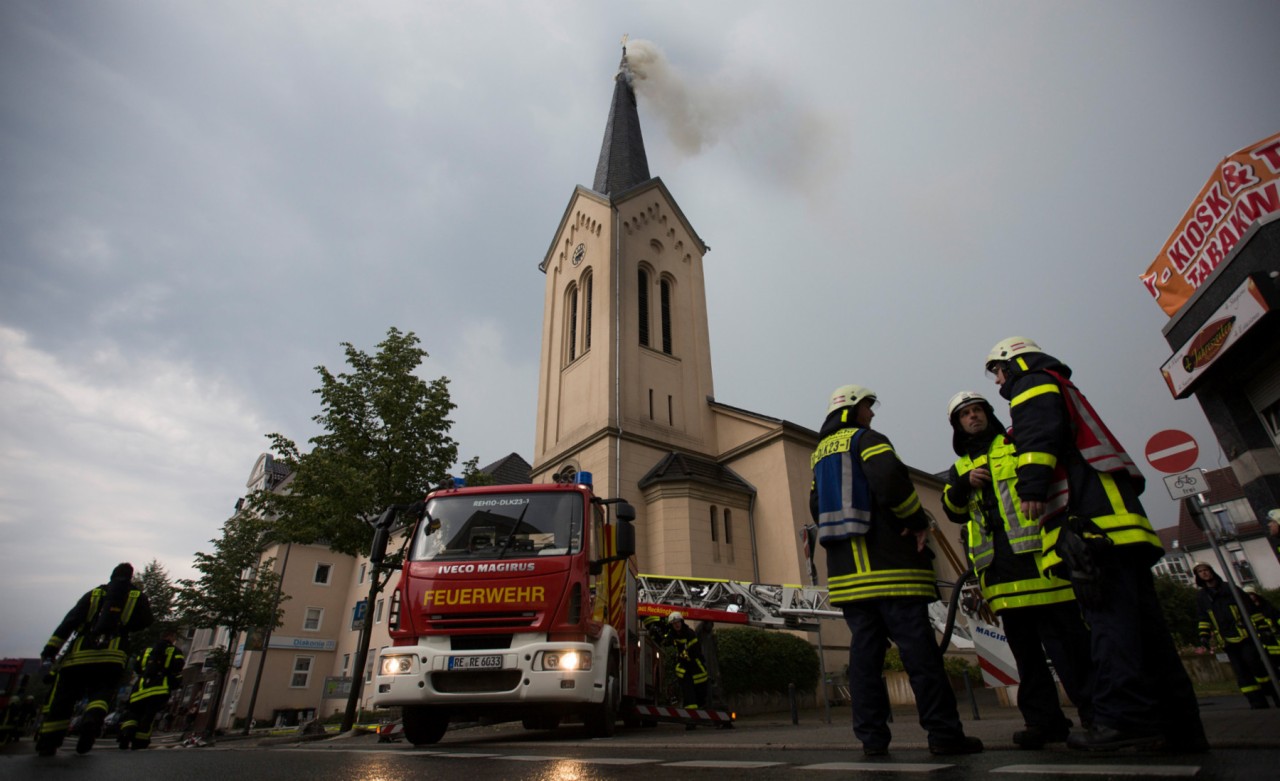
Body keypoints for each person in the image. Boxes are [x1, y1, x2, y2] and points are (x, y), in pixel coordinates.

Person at [984, 337, 1205, 753]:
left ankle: (1124, 720)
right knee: (1146, 630)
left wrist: (1031, 484)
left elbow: (1039, 433)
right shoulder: (1062, 384)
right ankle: (1179, 726)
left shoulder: (1031, 383)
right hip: (1120, 522)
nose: (998, 380)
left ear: (1014, 363)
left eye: (998, 370)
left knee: (1110, 626)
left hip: (1091, 525)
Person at [811, 384, 982, 757]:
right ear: (855, 410)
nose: (872, 414)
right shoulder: (868, 439)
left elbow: (816, 507)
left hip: (849, 580)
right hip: (892, 570)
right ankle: (944, 735)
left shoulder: (819, 456)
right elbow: (891, 481)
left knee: (864, 659)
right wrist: (916, 520)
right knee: (920, 655)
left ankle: (872, 740)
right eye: (869, 407)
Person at [941, 390, 1094, 749]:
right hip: (1000, 576)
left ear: (988, 415)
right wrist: (962, 487)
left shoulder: (1014, 444)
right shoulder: (960, 466)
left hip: (1041, 565)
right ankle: (1044, 722)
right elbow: (952, 510)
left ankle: (1098, 716)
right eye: (965, 414)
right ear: (957, 424)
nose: (973, 417)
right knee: (1026, 657)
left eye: (978, 411)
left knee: (1069, 649)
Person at [36, 562, 154, 756]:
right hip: (113, 656)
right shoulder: (136, 596)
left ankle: (49, 742)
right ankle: (93, 717)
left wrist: (50, 650)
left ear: (111, 576)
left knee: (65, 698)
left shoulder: (94, 594)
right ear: (131, 577)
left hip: (79, 655)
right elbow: (147, 621)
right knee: (102, 693)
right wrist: (124, 629)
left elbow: (69, 622)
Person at [1193, 563, 1276, 708]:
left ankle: (1273, 693)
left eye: (1206, 570)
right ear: (1198, 576)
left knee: (1255, 664)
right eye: (1200, 572)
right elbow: (1203, 618)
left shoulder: (1229, 588)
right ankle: (1256, 701)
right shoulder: (1202, 596)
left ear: (1211, 571)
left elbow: (1250, 609)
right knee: (1241, 671)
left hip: (1245, 635)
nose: (1204, 573)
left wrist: (1262, 628)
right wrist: (1204, 635)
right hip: (1226, 640)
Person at [118, 626, 186, 749]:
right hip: (158, 688)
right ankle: (140, 741)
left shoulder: (146, 651)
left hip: (140, 687)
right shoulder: (175, 651)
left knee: (133, 712)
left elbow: (137, 668)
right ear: (171, 637)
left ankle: (126, 733)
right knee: (148, 715)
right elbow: (178, 667)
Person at [645, 612, 710, 729]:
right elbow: (666, 641)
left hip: (696, 667)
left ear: (682, 622)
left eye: (678, 622)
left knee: (700, 694)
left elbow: (695, 651)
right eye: (674, 623)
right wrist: (658, 636)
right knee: (688, 693)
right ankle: (690, 720)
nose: (676, 625)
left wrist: (685, 654)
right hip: (685, 669)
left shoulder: (689, 633)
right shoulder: (673, 634)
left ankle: (695, 715)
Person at [1244, 586, 1280, 665]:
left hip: (1275, 637)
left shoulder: (1266, 606)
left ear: (1255, 594)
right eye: (1247, 595)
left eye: (1251, 594)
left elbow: (1277, 617)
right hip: (1262, 642)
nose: (1250, 597)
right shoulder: (1246, 611)